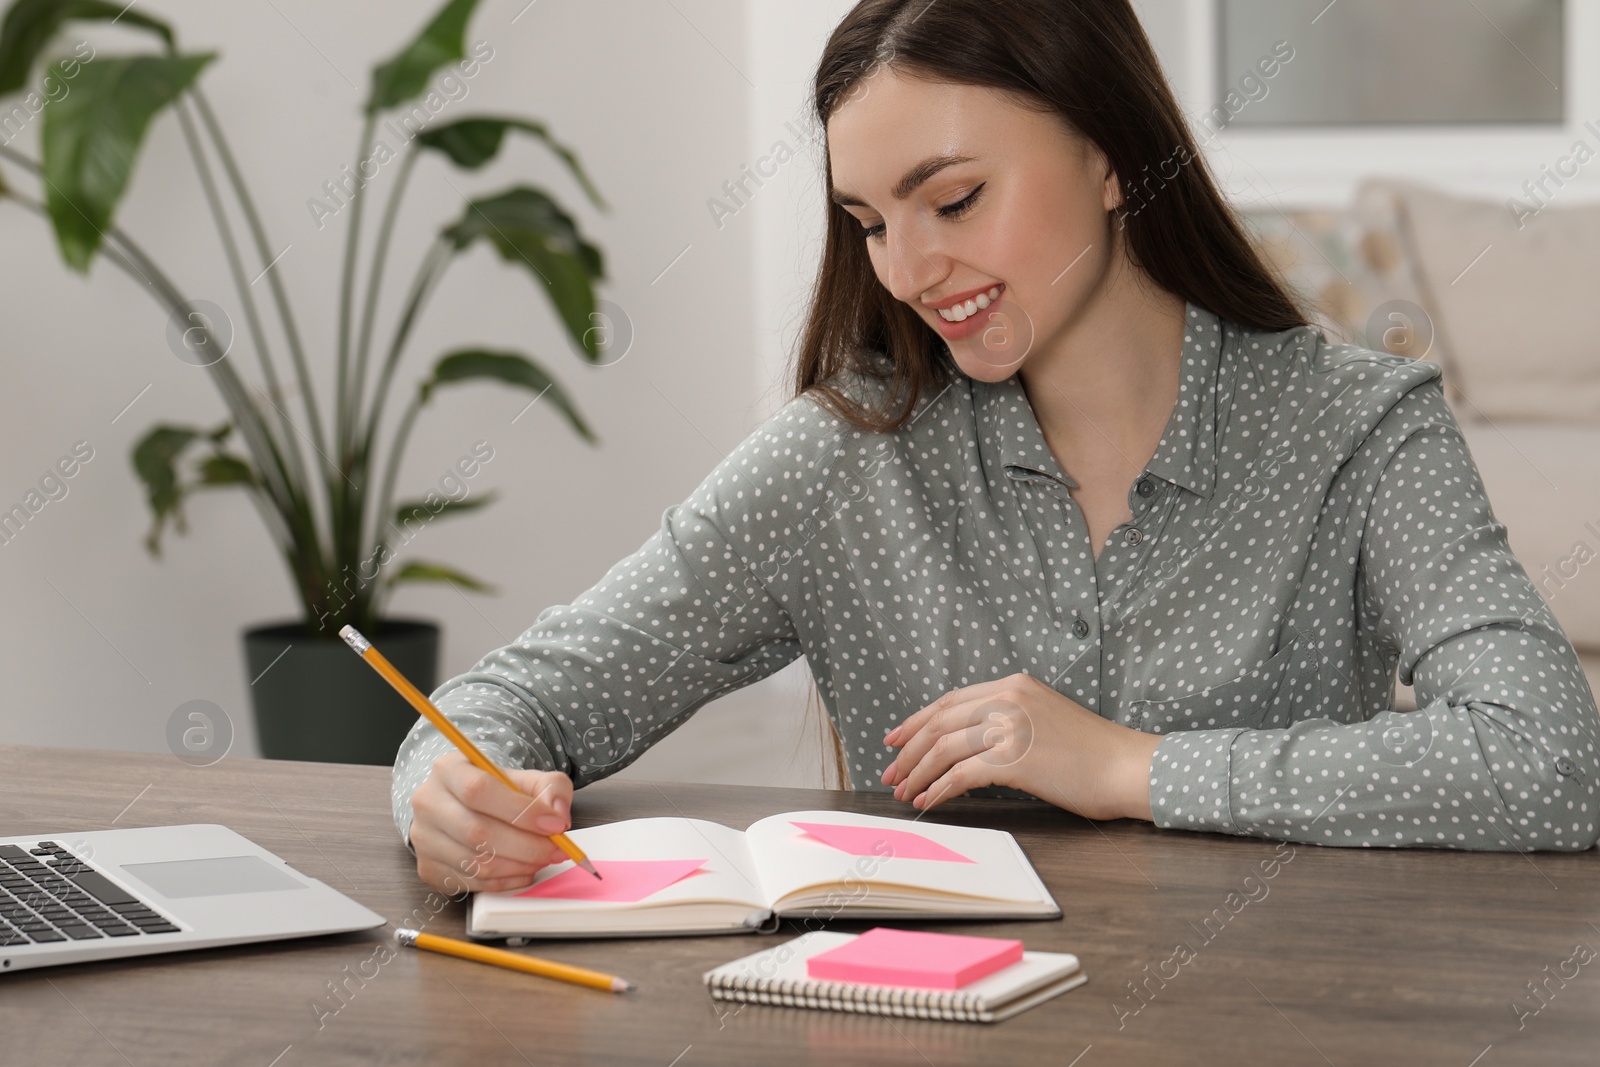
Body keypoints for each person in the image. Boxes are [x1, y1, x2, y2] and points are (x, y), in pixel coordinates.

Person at [393, 0, 1600, 894]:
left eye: (954, 200)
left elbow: (1552, 759)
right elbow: (501, 702)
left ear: (1112, 153)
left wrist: (1129, 766)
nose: (910, 273)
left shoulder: (1360, 425)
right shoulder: (841, 457)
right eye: (869, 222)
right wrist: (450, 793)